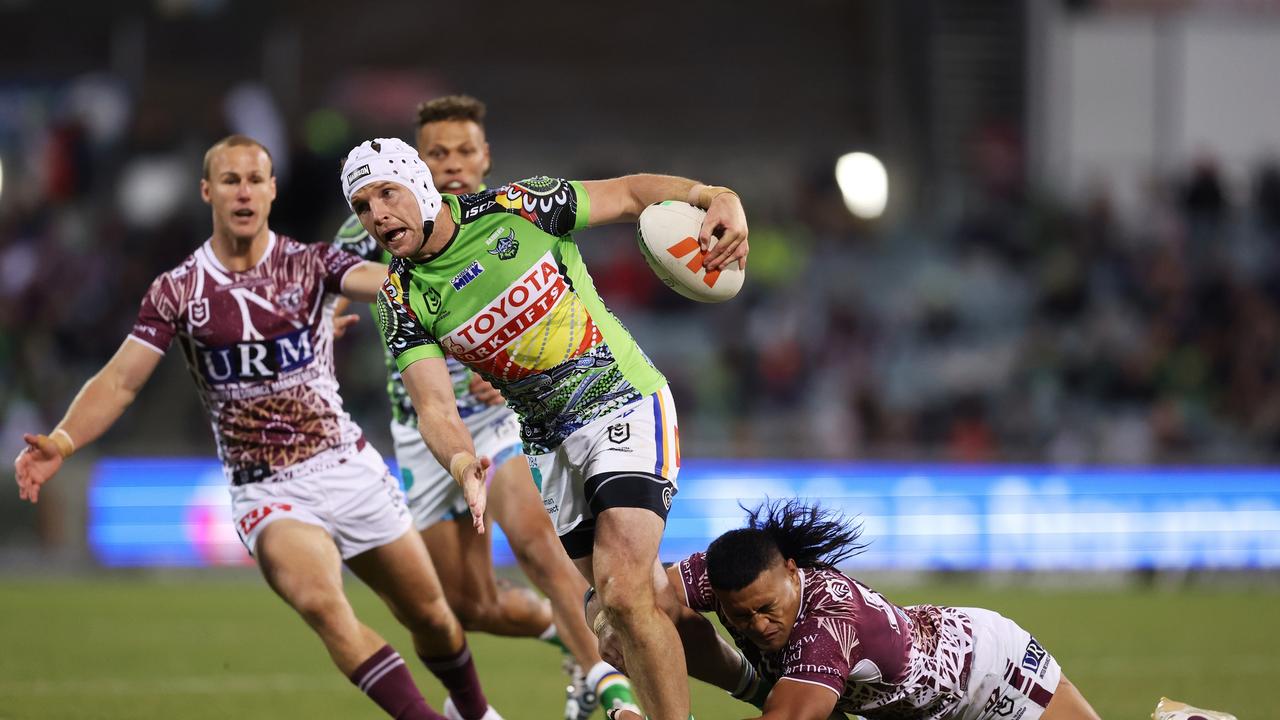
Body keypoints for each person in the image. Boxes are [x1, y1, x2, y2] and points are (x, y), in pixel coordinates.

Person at [14, 135, 500, 720]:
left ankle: (474, 710)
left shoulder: (310, 263)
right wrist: (62, 441)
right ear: (207, 191)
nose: (243, 190)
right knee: (324, 606)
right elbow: (120, 381)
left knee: (432, 617)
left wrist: (481, 333)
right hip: (267, 490)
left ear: (272, 190)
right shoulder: (179, 290)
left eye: (254, 179)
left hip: (346, 466)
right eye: (229, 179)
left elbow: (400, 287)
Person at [340, 136, 749, 720]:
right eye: (361, 205)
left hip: (623, 403)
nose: (378, 213)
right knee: (621, 620)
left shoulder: (518, 207)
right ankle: (759, 687)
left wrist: (717, 195)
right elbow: (433, 406)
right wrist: (462, 461)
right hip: (551, 449)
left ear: (420, 184)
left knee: (625, 592)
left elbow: (633, 195)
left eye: (387, 192)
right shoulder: (400, 299)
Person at [331, 95, 638, 719]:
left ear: (485, 156)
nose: (452, 165)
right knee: (468, 607)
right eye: (437, 153)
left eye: (464, 151)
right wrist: (330, 308)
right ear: (417, 162)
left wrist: (518, 363)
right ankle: (568, 637)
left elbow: (564, 300)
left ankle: (612, 693)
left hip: (503, 420)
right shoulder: (367, 229)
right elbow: (333, 285)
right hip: (424, 428)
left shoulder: (508, 218)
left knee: (535, 543)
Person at [601, 499, 1103, 720]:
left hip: (990, 674)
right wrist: (611, 621)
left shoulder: (829, 627)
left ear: (793, 572)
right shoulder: (728, 574)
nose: (758, 626)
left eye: (767, 608)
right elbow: (640, 597)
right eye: (740, 617)